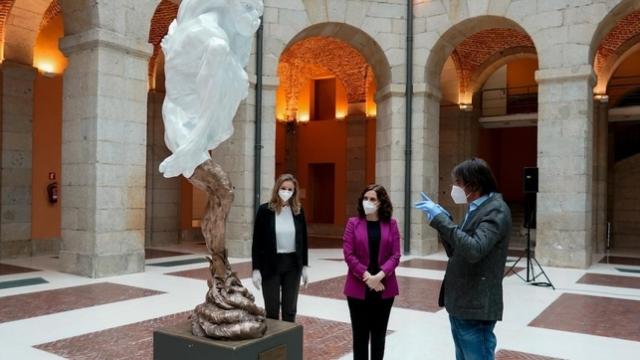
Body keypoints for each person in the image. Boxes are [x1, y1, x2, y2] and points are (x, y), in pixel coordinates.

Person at [415, 158, 512, 360]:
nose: (454, 188)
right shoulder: (476, 207)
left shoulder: (496, 210)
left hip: (476, 305)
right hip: (461, 302)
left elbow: (474, 249)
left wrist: (442, 222)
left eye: (458, 183)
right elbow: (457, 251)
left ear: (474, 184)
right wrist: (445, 219)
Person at [343, 184, 401, 360]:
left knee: (378, 337)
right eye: (365, 198)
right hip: (358, 288)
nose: (367, 202)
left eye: (372, 199)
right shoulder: (353, 223)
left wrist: (379, 276)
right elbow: (348, 254)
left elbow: (396, 255)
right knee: (360, 337)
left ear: (381, 202)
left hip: (384, 288)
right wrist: (368, 277)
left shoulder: (391, 224)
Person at [251, 174, 309, 322]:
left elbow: (303, 240)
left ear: (294, 192)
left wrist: (304, 266)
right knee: (272, 309)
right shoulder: (265, 210)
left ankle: (289, 343)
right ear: (277, 189)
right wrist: (256, 269)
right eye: (283, 188)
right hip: (271, 264)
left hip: (292, 265)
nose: (286, 191)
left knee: (290, 309)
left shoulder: (298, 211)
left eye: (290, 189)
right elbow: (257, 241)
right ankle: (274, 342)